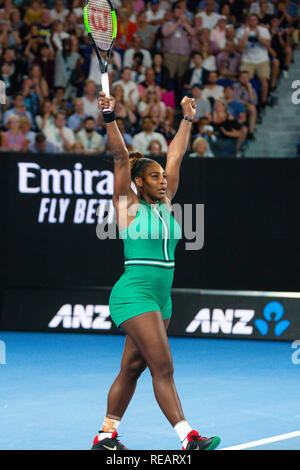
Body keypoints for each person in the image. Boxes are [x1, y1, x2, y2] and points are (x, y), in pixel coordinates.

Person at [92, 90, 221, 451]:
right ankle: (188, 437)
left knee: (133, 369)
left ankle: (104, 437)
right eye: (154, 176)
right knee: (163, 367)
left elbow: (176, 153)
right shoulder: (127, 204)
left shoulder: (165, 202)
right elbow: (120, 156)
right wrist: (109, 116)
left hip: (161, 299)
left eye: (163, 176)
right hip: (134, 296)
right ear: (138, 182)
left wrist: (187, 118)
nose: (163, 180)